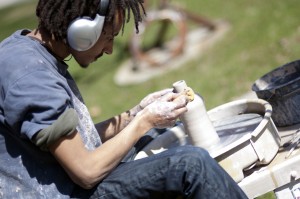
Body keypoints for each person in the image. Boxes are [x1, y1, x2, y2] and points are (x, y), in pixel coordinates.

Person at [0, 0, 248, 198]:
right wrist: (144, 121)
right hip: (68, 191)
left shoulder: (28, 52)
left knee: (162, 136)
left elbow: (76, 142)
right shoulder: (31, 77)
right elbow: (86, 171)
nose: (109, 49)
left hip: (67, 182)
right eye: (109, 37)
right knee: (191, 165)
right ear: (82, 32)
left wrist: (136, 113)